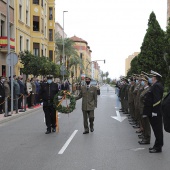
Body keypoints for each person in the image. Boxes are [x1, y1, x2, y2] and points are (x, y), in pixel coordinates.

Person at [143, 70, 164, 153]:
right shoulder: (155, 85)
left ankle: (158, 147)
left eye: (152, 77)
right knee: (156, 130)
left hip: (156, 112)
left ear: (155, 78)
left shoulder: (157, 86)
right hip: (154, 112)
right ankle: (156, 145)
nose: (151, 78)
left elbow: (157, 100)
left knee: (157, 130)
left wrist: (154, 111)